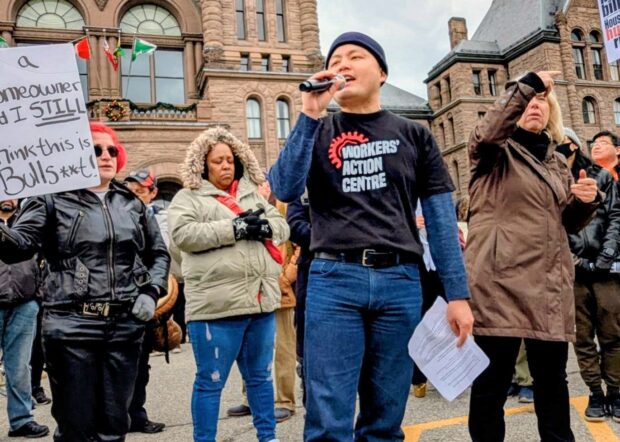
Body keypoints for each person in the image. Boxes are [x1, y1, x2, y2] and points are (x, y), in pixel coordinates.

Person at [268, 31, 473, 441]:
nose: (343, 64)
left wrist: (457, 295)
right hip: (333, 281)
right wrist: (309, 113)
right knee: (328, 418)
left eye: (355, 56)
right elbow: (285, 188)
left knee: (385, 417)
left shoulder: (414, 135)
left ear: (382, 72)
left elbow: (440, 221)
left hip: (400, 282)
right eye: (335, 60)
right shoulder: (317, 130)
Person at [0, 122, 170, 441]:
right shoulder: (50, 199)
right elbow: (17, 247)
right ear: (74, 153)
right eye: (95, 149)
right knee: (76, 426)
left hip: (124, 327)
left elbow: (158, 254)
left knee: (114, 424)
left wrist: (151, 290)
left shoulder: (131, 203)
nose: (106, 155)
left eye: (112, 150)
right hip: (70, 326)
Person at [465, 71, 600, 442]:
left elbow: (564, 223)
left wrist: (585, 202)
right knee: (491, 384)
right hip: (499, 285)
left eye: (543, 101)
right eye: (528, 100)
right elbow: (489, 131)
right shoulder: (492, 151)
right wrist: (527, 85)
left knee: (553, 382)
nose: (536, 105)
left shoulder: (556, 162)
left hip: (548, 287)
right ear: (514, 105)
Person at [167, 127, 289, 442]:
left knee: (260, 378)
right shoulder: (187, 198)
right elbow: (183, 235)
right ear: (202, 165)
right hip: (215, 309)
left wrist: (264, 227)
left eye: (230, 160)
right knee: (210, 382)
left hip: (259, 304)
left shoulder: (252, 194)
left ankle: (268, 437)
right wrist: (234, 228)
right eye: (217, 161)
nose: (225, 166)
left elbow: (281, 226)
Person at [227, 183, 298, 423]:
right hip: (250, 285)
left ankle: (284, 400)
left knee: (283, 346)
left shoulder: (284, 202)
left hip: (279, 285)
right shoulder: (240, 201)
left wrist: (288, 275)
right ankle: (250, 398)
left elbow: (297, 243)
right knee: (248, 346)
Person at [564, 129, 620, 423]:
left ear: (573, 144)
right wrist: (575, 260)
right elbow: (554, 225)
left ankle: (616, 392)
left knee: (613, 334)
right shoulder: (553, 178)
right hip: (574, 273)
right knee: (582, 337)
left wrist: (606, 255)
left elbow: (615, 216)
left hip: (606, 271)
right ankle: (595, 393)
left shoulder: (602, 176)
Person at [0, 199, 49, 438]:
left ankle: (21, 420)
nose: (7, 198)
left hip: (25, 301)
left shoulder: (31, 219)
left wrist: (38, 294)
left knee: (20, 366)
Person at [124, 169, 168, 434]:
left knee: (141, 363)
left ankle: (136, 415)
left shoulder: (154, 219)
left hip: (142, 299)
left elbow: (161, 257)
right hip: (116, 298)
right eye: (130, 191)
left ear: (152, 194)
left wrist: (154, 290)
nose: (134, 196)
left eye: (140, 191)